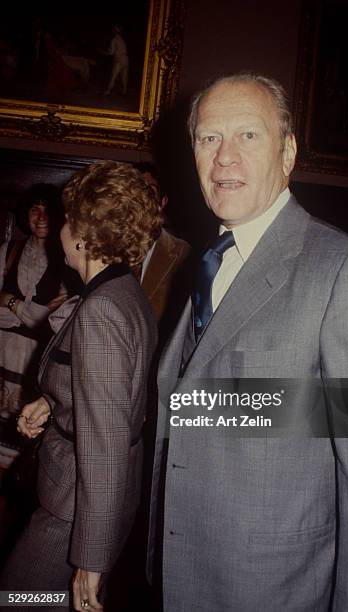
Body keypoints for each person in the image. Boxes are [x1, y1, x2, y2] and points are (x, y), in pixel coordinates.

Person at [148, 74, 348, 611]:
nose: (224, 159)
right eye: (208, 138)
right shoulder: (205, 264)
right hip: (182, 581)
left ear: (288, 153)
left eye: (248, 136)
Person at [0, 161, 161, 611]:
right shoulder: (124, 292)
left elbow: (106, 438)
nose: (59, 230)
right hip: (87, 500)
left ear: (86, 234)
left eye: (67, 219)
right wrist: (52, 403)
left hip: (76, 509)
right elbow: (113, 392)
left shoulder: (102, 310)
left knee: (17, 600)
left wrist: (89, 557)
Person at [0, 184, 66, 423]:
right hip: (2, 353)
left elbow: (51, 321)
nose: (41, 218)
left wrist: (9, 301)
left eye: (47, 210)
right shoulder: (9, 251)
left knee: (26, 425)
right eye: (34, 210)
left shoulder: (66, 261)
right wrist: (32, 314)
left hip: (35, 360)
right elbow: (38, 315)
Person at [136, 162, 191, 344]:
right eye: (136, 190)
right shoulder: (105, 249)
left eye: (150, 190)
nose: (142, 198)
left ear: (163, 201)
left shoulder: (184, 253)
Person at [102, 24, 129, 96]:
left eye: (113, 30)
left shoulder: (114, 40)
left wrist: (103, 52)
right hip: (126, 59)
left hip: (119, 59)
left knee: (113, 76)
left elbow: (111, 53)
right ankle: (124, 92)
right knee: (124, 77)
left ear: (114, 31)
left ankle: (107, 91)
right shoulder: (122, 39)